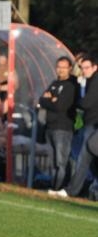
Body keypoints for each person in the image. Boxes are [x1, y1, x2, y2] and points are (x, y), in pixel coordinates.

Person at [59, 55, 98, 198]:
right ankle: (72, 190)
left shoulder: (95, 80)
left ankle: (72, 190)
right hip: (90, 124)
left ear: (95, 67)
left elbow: (87, 102)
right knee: (87, 157)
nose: (84, 70)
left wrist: (74, 103)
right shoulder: (88, 81)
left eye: (87, 67)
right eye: (82, 68)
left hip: (93, 125)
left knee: (86, 153)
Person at [39, 57, 77, 195]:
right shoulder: (55, 83)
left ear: (70, 68)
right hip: (50, 127)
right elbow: (41, 100)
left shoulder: (71, 85)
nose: (60, 69)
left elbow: (61, 106)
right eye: (58, 66)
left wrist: (50, 100)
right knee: (53, 161)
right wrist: (50, 100)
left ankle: (61, 189)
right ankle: (54, 187)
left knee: (61, 161)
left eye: (64, 67)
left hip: (63, 128)